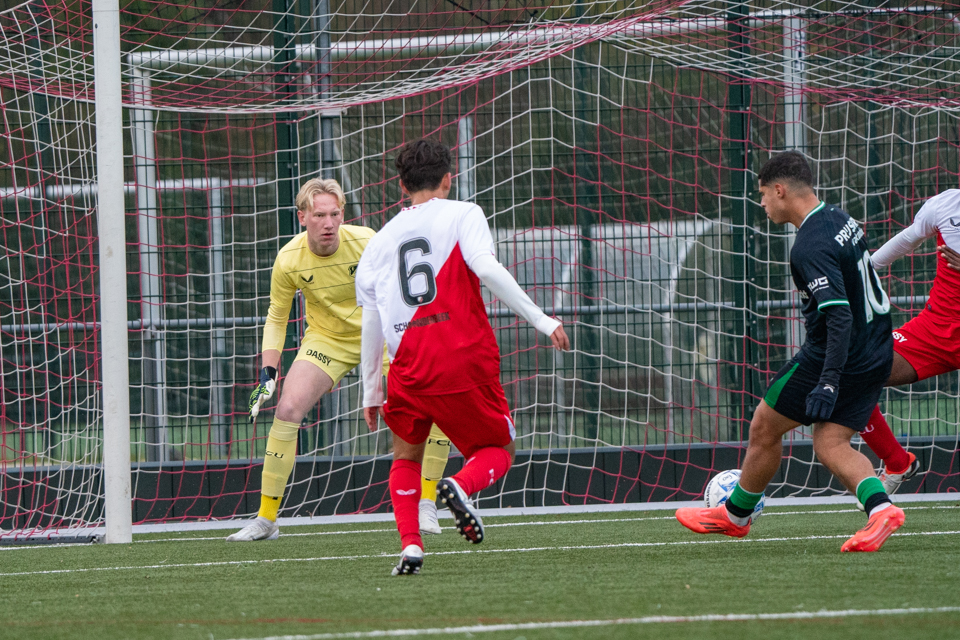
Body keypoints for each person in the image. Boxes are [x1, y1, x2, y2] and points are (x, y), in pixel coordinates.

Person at [355, 138, 570, 575]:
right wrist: (542, 319)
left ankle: (411, 546)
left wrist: (371, 392)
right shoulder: (463, 213)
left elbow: (372, 320)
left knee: (405, 457)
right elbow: (486, 268)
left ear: (402, 186)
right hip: (461, 356)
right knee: (499, 448)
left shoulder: (378, 242)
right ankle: (460, 484)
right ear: (448, 180)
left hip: (408, 367)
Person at [676, 151, 905, 552]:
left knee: (764, 426)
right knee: (831, 443)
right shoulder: (840, 219)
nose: (762, 203)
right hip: (876, 349)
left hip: (835, 355)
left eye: (763, 194)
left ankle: (735, 516)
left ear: (779, 190)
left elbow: (838, 315)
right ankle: (881, 509)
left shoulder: (808, 245)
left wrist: (828, 381)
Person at [227, 177, 450, 541]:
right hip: (328, 340)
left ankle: (427, 503)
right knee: (287, 409)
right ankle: (266, 520)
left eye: (335, 214)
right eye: (319, 215)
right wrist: (268, 373)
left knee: (436, 401)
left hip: (383, 335)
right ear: (302, 217)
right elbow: (277, 317)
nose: (328, 223)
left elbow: (403, 293)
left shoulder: (368, 241)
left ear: (343, 214)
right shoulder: (288, 259)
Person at [855, 191, 960, 497]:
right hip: (935, 330)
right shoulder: (945, 204)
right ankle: (898, 462)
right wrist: (864, 271)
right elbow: (908, 239)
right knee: (853, 373)